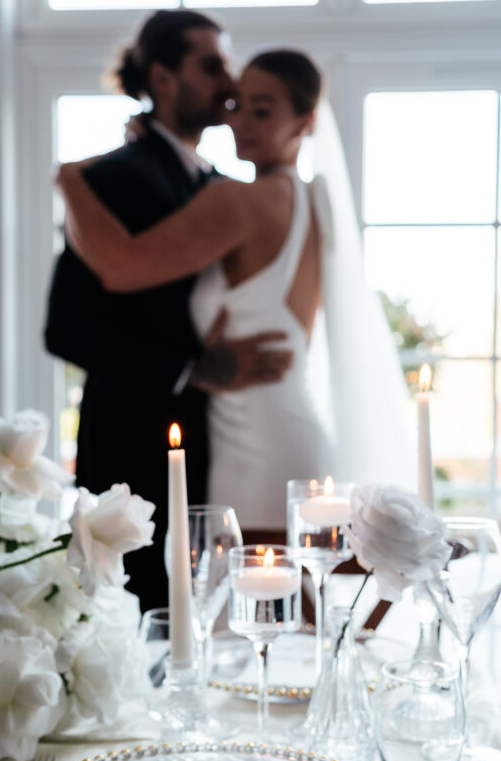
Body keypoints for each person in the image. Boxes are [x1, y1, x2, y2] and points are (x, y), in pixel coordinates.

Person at [56, 48, 414, 529]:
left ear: (305, 122)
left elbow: (120, 266)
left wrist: (70, 179)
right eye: (235, 106)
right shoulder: (311, 197)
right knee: (290, 596)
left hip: (255, 443)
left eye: (262, 110)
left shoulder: (238, 201)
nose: (241, 122)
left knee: (248, 595)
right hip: (286, 428)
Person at [45, 11, 294, 611]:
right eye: (212, 67)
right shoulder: (109, 177)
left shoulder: (220, 184)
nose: (229, 83)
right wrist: (190, 369)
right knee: (138, 621)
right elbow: (66, 327)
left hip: (223, 442)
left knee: (206, 613)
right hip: (131, 448)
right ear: (162, 77)